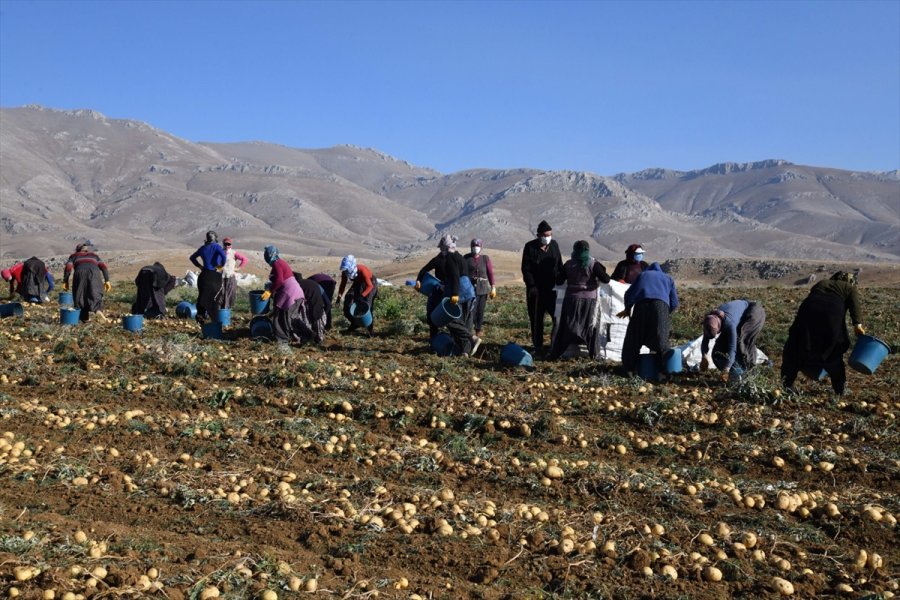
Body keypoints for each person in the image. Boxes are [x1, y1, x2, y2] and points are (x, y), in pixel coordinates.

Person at [781, 271, 866, 396]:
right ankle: (839, 389)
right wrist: (857, 324)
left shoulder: (822, 282)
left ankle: (787, 384)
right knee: (833, 348)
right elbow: (855, 306)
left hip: (809, 308)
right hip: (832, 311)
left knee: (799, 339)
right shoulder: (849, 287)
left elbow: (813, 296)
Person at [416, 235, 478, 356]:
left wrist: (454, 293)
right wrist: (419, 279)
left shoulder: (451, 258)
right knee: (464, 321)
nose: (442, 251)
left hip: (456, 291)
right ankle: (465, 351)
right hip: (467, 292)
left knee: (451, 320)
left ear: (445, 247)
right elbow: (425, 270)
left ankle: (470, 339)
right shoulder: (458, 257)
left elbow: (455, 276)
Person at [548, 241, 611, 360]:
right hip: (589, 301)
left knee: (566, 327)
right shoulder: (593, 264)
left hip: (571, 300)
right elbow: (606, 279)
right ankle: (595, 355)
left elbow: (559, 281)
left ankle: (555, 354)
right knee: (590, 327)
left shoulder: (568, 264)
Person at [618, 262, 679, 377]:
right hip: (660, 306)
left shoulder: (643, 275)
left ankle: (629, 370)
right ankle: (666, 371)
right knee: (662, 338)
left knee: (634, 337)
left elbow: (629, 293)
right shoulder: (668, 278)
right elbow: (675, 302)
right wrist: (665, 314)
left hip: (641, 305)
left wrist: (628, 308)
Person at [521, 220, 563, 356]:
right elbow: (526, 269)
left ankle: (555, 345)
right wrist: (531, 285)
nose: (547, 237)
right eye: (545, 235)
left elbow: (559, 265)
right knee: (536, 319)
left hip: (553, 289)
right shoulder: (530, 247)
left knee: (557, 318)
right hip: (536, 291)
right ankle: (538, 346)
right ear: (538, 235)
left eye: (549, 234)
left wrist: (562, 282)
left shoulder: (554, 245)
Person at [700, 300, 767, 377]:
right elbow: (705, 340)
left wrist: (727, 368)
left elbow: (732, 348)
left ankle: (749, 373)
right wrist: (704, 356)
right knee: (719, 349)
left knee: (743, 343)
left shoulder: (729, 324)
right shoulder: (710, 321)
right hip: (739, 315)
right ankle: (734, 371)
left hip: (754, 312)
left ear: (719, 327)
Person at [261, 245, 307, 343]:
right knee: (293, 318)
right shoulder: (279, 263)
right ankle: (307, 336)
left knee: (281, 318)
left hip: (289, 294)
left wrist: (270, 291)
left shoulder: (277, 264)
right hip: (295, 293)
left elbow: (279, 280)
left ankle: (282, 341)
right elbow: (278, 278)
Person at [63, 241, 111, 322]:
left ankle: (83, 317)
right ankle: (97, 310)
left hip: (79, 272)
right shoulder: (94, 256)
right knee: (95, 291)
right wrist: (107, 280)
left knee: (80, 293)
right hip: (94, 272)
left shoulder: (74, 256)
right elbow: (103, 267)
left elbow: (68, 267)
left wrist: (66, 280)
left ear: (78, 250)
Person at [189, 231, 226, 323]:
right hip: (214, 274)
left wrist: (200, 266)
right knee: (215, 298)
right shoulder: (217, 247)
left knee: (202, 296)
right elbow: (224, 257)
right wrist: (220, 266)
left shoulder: (202, 248)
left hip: (204, 275)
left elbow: (192, 258)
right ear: (215, 238)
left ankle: (201, 316)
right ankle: (214, 319)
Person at [337, 255, 377, 336]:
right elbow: (342, 284)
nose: (346, 271)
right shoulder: (345, 272)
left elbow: (370, 286)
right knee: (348, 302)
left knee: (367, 305)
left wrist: (362, 295)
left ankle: (370, 330)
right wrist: (339, 296)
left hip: (370, 283)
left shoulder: (362, 270)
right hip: (358, 283)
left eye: (347, 269)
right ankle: (355, 323)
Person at [463, 239, 496, 338]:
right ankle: (469, 330)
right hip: (470, 289)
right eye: (474, 246)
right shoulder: (466, 258)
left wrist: (493, 286)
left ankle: (478, 329)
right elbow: (462, 272)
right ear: (471, 247)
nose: (475, 248)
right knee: (471, 310)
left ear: (481, 247)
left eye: (477, 246)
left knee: (480, 310)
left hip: (483, 289)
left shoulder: (485, 259)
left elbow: (490, 273)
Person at [293, 272, 328, 345]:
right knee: (317, 323)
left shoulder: (297, 286)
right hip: (319, 306)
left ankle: (309, 338)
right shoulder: (310, 283)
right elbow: (327, 303)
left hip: (312, 306)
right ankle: (317, 339)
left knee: (299, 320)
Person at [219, 237, 248, 309]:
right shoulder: (220, 252)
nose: (227, 246)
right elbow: (215, 262)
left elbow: (244, 259)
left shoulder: (234, 253)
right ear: (223, 244)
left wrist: (238, 268)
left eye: (228, 244)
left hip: (230, 276)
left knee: (228, 294)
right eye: (225, 244)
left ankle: (226, 311)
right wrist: (218, 268)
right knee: (221, 294)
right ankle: (220, 311)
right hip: (221, 276)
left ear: (231, 245)